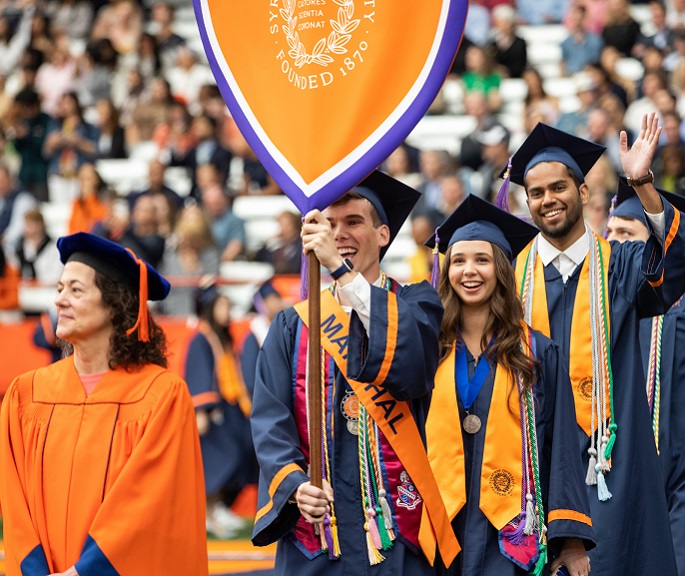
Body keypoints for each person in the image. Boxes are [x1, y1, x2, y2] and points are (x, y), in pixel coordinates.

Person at [506, 115, 685, 576]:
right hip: (534, 465)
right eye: (537, 193)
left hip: (611, 462)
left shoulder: (621, 265)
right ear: (527, 202)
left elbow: (678, 260)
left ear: (584, 192)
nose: (549, 200)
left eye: (559, 187)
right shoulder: (511, 279)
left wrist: (641, 183)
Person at [250, 171, 459, 573]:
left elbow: (413, 369)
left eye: (353, 222)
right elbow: (270, 419)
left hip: (399, 527)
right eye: (330, 224)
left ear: (383, 234)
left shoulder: (417, 304)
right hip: (319, 531)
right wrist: (295, 485)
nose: (338, 234)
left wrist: (339, 270)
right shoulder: (293, 324)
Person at [0, 232, 208, 574]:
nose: (60, 301)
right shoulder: (28, 394)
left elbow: (147, 505)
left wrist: (84, 572)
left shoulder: (161, 396)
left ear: (116, 305)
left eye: (76, 290)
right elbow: (15, 502)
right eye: (59, 289)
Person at [425, 194, 594, 575]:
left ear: (501, 269)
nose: (470, 271)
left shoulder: (536, 352)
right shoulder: (427, 349)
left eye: (482, 260)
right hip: (437, 528)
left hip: (511, 533)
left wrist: (569, 541)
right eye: (459, 261)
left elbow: (562, 445)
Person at [605, 179, 685, 575]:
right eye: (609, 233)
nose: (614, 243)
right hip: (621, 478)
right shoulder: (602, 304)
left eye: (626, 234)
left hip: (684, 480)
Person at [184, 280, 252, 539]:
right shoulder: (200, 338)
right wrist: (201, 411)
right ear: (210, 307)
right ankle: (206, 513)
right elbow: (198, 375)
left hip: (230, 406)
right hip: (212, 412)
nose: (228, 310)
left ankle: (217, 508)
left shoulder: (222, 337)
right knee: (215, 462)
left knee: (236, 457)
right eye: (223, 304)